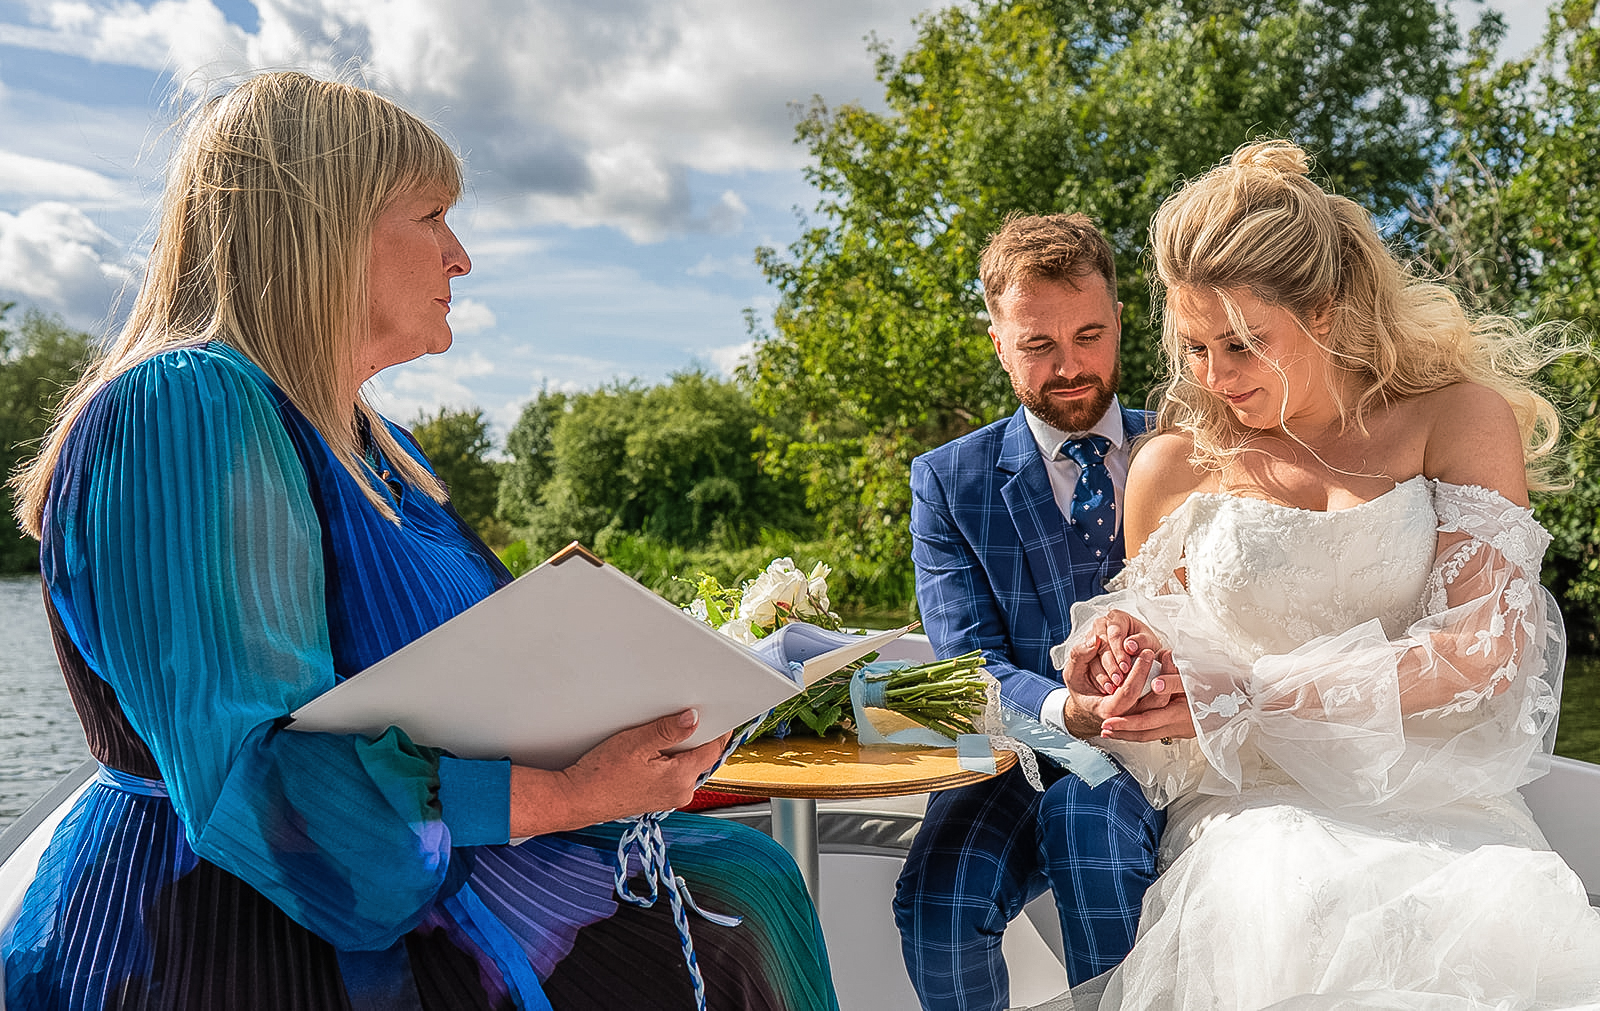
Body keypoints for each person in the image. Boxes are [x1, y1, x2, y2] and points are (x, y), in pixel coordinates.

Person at [2, 71, 837, 1011]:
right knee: (731, 905)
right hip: (230, 932)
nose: (462, 256)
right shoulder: (183, 408)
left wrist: (640, 726)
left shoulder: (376, 444)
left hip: (412, 879)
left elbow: (484, 676)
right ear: (322, 227)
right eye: (434, 214)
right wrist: (566, 796)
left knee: (743, 875)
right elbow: (254, 779)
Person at [1062, 139, 1600, 1008]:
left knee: (1462, 918)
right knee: (1294, 896)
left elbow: (1485, 648)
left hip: (1441, 803)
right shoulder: (1172, 467)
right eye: (1193, 346)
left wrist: (1257, 690)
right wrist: (1117, 666)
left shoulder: (1455, 419)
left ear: (1322, 311)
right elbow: (1153, 692)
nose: (1213, 376)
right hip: (1255, 811)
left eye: (1240, 344)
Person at [893, 212, 1191, 1011]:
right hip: (1014, 753)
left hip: (1164, 747)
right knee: (937, 903)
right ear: (997, 341)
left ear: (1121, 322)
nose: (1070, 366)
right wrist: (1070, 709)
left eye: (1090, 336)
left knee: (1089, 826)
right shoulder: (947, 482)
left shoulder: (1189, 448)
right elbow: (967, 664)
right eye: (1038, 346)